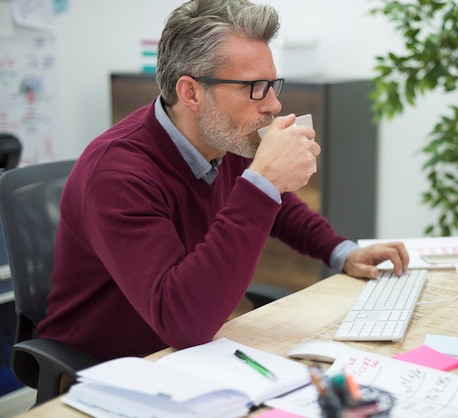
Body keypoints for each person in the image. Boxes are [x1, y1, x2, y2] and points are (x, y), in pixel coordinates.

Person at [37, 0, 409, 361]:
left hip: (188, 352)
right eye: (253, 87)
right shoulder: (117, 175)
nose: (273, 105)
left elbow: (280, 209)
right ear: (191, 93)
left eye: (271, 84)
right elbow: (181, 322)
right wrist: (262, 182)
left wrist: (341, 252)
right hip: (106, 370)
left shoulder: (220, 135)